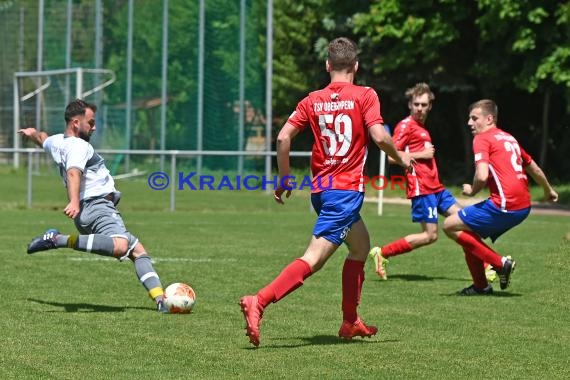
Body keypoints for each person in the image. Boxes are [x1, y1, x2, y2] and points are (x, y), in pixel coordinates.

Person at [238, 37, 412, 347]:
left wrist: (285, 179)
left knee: (360, 246)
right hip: (344, 193)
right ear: (356, 66)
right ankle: (259, 300)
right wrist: (402, 158)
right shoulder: (365, 95)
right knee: (314, 259)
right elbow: (378, 136)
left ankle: (350, 321)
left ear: (327, 65)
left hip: (321, 192)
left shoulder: (312, 100)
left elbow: (282, 138)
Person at [18, 99, 168, 312]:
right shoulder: (79, 146)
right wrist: (74, 201)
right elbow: (73, 172)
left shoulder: (58, 142)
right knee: (121, 246)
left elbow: (42, 139)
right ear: (76, 123)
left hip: (88, 213)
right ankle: (58, 239)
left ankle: (161, 299)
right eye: (91, 122)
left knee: (138, 250)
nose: (94, 126)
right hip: (97, 208)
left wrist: (32, 133)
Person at [443, 99, 558, 295]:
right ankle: (480, 286)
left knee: (449, 225)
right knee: (469, 236)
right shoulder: (509, 138)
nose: (470, 123)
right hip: (523, 206)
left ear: (489, 119)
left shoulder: (482, 138)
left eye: (474, 118)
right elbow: (534, 167)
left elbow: (481, 175)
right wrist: (549, 191)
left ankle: (500, 263)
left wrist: (472, 191)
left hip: (505, 205)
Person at [368, 83, 466, 280]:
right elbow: (390, 157)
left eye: (424, 105)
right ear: (410, 105)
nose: (420, 108)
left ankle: (488, 264)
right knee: (430, 236)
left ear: (430, 106)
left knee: (465, 219)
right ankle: (382, 253)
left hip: (436, 187)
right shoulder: (406, 126)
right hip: (422, 188)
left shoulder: (421, 128)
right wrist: (422, 154)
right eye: (416, 104)